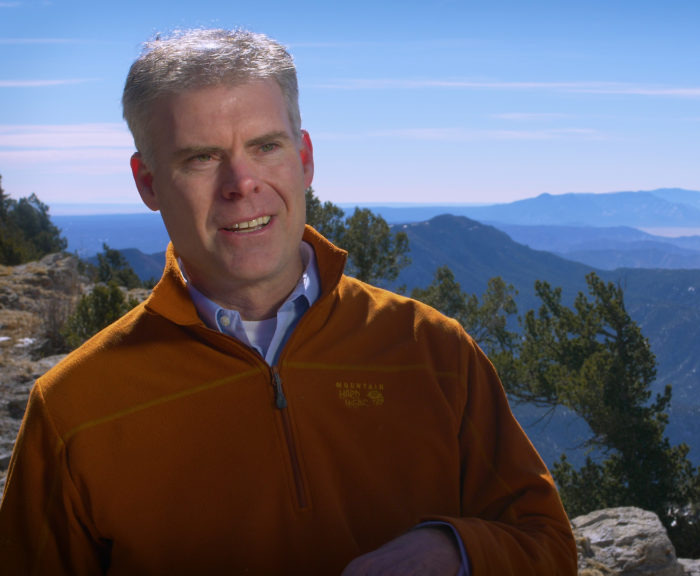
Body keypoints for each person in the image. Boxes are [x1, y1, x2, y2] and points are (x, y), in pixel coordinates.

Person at [0, 28, 576, 575]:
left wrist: (453, 551)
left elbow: (547, 546)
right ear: (147, 181)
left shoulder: (432, 350)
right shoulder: (74, 409)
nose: (241, 183)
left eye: (265, 146)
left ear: (303, 159)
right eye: (200, 157)